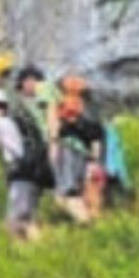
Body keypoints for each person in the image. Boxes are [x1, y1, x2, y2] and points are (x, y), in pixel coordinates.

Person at [0, 91, 42, 244]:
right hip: (29, 170)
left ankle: (27, 256)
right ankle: (42, 254)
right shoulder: (10, 121)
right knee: (28, 219)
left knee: (13, 223)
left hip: (18, 173)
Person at [50, 75, 104, 223]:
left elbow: (56, 130)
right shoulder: (91, 107)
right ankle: (94, 225)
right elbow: (96, 136)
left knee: (67, 193)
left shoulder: (66, 105)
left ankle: (86, 222)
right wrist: (95, 159)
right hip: (90, 153)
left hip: (71, 151)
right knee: (89, 192)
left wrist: (53, 146)